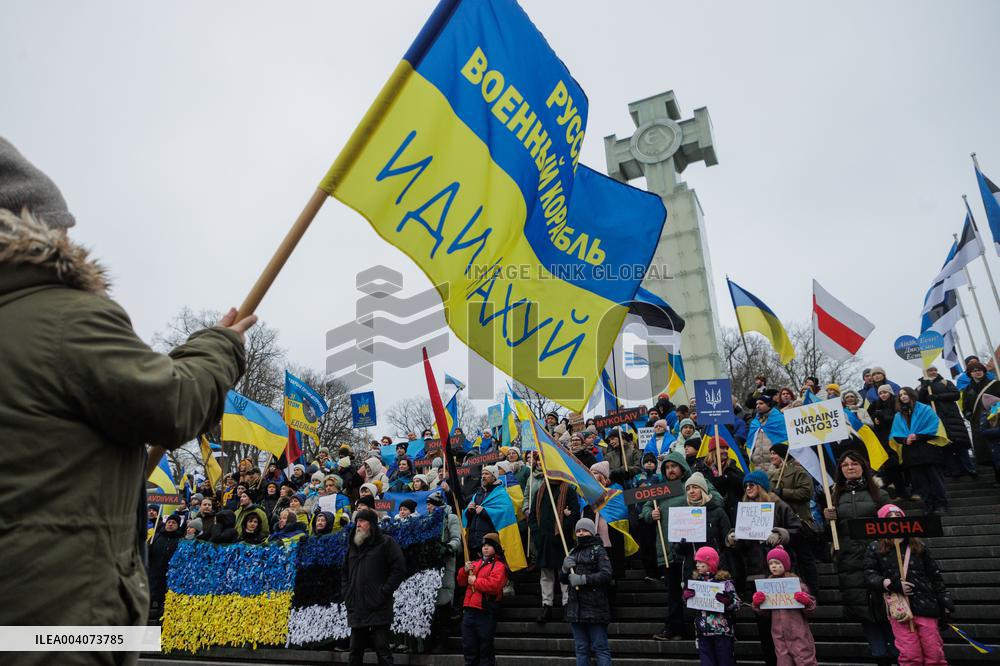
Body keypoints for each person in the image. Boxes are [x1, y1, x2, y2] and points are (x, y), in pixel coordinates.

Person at [0, 138, 253, 659]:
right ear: (40, 230)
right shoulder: (65, 318)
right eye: (64, 228)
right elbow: (173, 404)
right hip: (56, 618)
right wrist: (221, 346)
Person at [822, 451, 896, 665]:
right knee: (865, 613)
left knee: (888, 610)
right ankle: (880, 656)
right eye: (845, 465)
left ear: (863, 466)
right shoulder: (834, 497)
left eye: (854, 463)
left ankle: (897, 653)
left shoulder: (879, 494)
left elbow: (894, 525)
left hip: (879, 559)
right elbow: (830, 535)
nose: (850, 467)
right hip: (850, 562)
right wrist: (828, 520)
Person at [864, 504, 953, 666]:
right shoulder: (876, 547)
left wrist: (944, 601)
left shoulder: (918, 545)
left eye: (898, 517)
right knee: (910, 655)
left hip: (926, 605)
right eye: (889, 518)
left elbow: (934, 575)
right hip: (899, 608)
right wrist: (891, 584)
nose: (894, 521)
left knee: (934, 652)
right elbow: (870, 575)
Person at [726, 470, 799, 666]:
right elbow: (742, 544)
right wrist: (733, 538)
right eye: (745, 485)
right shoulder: (744, 511)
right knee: (764, 628)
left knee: (785, 626)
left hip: (779, 577)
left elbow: (797, 530)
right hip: (756, 576)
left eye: (752, 484)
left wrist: (781, 534)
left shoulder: (779, 506)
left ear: (762, 486)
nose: (748, 488)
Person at [342, 507, 407, 666]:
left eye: (362, 521)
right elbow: (344, 573)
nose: (358, 524)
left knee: (382, 650)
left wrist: (383, 592)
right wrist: (348, 594)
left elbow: (399, 569)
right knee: (355, 652)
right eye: (357, 521)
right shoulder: (353, 546)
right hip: (357, 607)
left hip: (379, 606)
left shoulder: (386, 542)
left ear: (371, 524)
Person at [526, 459, 580, 623]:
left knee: (564, 573)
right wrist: (537, 534)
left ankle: (566, 605)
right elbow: (532, 516)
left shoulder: (568, 490)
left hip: (562, 539)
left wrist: (563, 529)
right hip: (544, 540)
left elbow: (575, 514)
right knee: (546, 575)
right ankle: (547, 606)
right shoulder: (541, 490)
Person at [751, 546, 817, 666]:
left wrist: (806, 602)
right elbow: (765, 612)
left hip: (798, 631)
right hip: (779, 634)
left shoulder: (797, 584)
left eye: (777, 563)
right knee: (783, 661)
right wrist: (757, 604)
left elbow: (811, 610)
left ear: (785, 564)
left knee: (805, 659)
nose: (773, 566)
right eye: (771, 563)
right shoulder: (767, 587)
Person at [767, 443, 819, 593]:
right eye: (770, 453)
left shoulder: (798, 471)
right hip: (782, 524)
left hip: (799, 522)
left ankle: (812, 592)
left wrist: (783, 492)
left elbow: (806, 492)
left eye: (774, 453)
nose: (771, 457)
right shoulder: (772, 474)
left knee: (805, 559)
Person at [561, 518, 613, 666]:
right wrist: (564, 569)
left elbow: (606, 574)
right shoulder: (572, 552)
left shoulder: (599, 550)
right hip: (575, 609)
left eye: (584, 530)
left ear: (592, 532)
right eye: (578, 531)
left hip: (595, 608)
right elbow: (563, 579)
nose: (581, 533)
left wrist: (583, 579)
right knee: (581, 649)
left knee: (600, 648)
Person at [891, 387, 949, 516]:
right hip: (911, 453)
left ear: (911, 395)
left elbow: (934, 428)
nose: (903, 396)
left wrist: (917, 436)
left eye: (905, 394)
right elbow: (895, 434)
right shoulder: (898, 415)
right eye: (900, 395)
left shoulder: (925, 409)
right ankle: (928, 505)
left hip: (928, 451)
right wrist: (905, 440)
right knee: (920, 482)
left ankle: (941, 504)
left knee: (935, 480)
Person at [682, 546, 739, 666]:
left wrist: (728, 601)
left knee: (725, 662)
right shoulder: (696, 582)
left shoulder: (725, 583)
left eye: (700, 562)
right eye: (696, 562)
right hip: (702, 632)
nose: (697, 565)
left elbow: (737, 604)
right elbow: (691, 604)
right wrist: (686, 598)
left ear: (710, 563)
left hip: (722, 631)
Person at [458, 532, 508, 666]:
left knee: (485, 649)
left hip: (485, 611)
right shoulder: (475, 563)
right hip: (469, 610)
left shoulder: (499, 566)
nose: (485, 548)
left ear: (496, 548)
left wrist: (475, 582)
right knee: (469, 648)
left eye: (489, 545)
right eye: (484, 545)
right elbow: (461, 582)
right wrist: (464, 571)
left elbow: (495, 586)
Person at [918, 365, 976, 479]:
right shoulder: (922, 387)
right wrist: (925, 387)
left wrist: (938, 397)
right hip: (936, 419)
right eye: (930, 370)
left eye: (935, 370)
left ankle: (969, 467)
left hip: (952, 417)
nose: (933, 372)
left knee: (960, 444)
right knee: (945, 445)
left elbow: (956, 394)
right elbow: (920, 401)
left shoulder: (945, 382)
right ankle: (954, 470)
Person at [424, 493, 463, 653]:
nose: (428, 507)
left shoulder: (450, 518)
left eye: (430, 504)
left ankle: (443, 641)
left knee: (443, 603)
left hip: (445, 564)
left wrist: (446, 548)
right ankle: (431, 641)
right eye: (427, 504)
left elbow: (456, 540)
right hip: (429, 566)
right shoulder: (427, 519)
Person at [868, 384, 908, 501]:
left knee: (899, 467)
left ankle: (903, 491)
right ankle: (897, 492)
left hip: (897, 438)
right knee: (891, 467)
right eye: (880, 393)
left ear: (890, 393)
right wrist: (875, 418)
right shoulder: (876, 405)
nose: (883, 395)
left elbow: (896, 418)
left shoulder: (896, 403)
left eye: (885, 392)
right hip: (884, 440)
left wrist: (882, 415)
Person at [962, 359, 1000, 467]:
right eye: (974, 371)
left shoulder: (995, 384)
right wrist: (969, 415)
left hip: (996, 421)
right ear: (970, 374)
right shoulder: (967, 390)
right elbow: (966, 408)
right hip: (978, 424)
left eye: (979, 370)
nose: (977, 372)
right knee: (987, 454)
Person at [147, 514, 183, 623]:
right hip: (153, 574)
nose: (170, 524)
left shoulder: (179, 540)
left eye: (174, 523)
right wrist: (148, 549)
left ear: (178, 526)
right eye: (169, 522)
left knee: (162, 602)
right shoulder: (156, 537)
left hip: (167, 577)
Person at [466, 465, 504, 554]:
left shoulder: (500, 493)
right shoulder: (477, 494)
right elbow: (469, 518)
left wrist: (484, 512)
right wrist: (469, 511)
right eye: (482, 474)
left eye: (487, 474)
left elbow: (502, 515)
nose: (483, 476)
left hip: (489, 543)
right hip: (473, 541)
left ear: (494, 477)